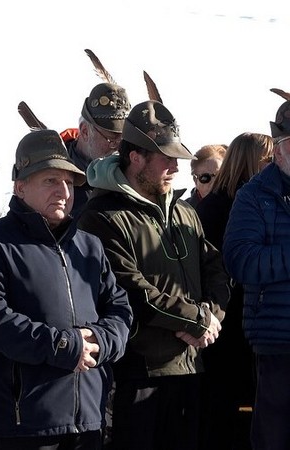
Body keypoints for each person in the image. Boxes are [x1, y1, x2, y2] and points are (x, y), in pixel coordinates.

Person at [0, 128, 132, 450]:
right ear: (20, 187)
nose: (63, 191)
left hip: (89, 418)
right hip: (23, 424)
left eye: (68, 182)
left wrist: (100, 342)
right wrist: (64, 346)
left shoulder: (89, 246)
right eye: (50, 180)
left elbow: (119, 308)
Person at [77, 100, 230, 450]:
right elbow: (131, 290)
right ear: (136, 158)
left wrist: (210, 318)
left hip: (191, 367)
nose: (176, 166)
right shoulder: (101, 216)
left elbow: (216, 269)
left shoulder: (185, 213)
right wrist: (196, 321)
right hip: (136, 374)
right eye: (166, 157)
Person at [195, 132, 273, 450]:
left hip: (228, 329)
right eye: (269, 160)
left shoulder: (214, 206)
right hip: (231, 329)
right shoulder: (235, 208)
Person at [223, 98, 290, 450]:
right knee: (274, 439)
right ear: (277, 149)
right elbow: (240, 260)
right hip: (277, 344)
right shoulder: (253, 196)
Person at [59, 49, 131, 215]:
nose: (118, 147)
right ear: (84, 131)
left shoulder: (131, 178)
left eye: (124, 139)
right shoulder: (56, 182)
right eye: (112, 137)